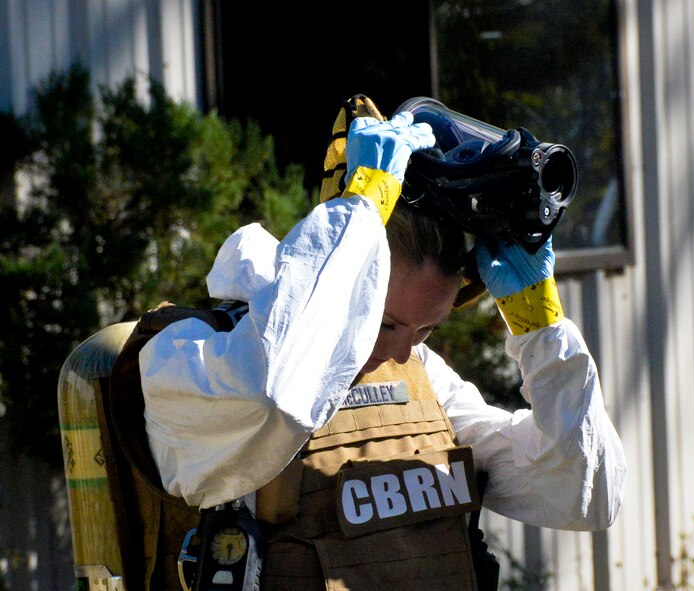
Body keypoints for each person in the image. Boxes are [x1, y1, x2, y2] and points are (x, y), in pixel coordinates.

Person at [140, 110, 626, 589]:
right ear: (342, 275)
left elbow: (582, 491)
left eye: (424, 330)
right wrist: (361, 213)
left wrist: (542, 328)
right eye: (384, 323)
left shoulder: (421, 379)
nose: (399, 354)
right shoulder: (192, 362)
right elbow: (276, 398)